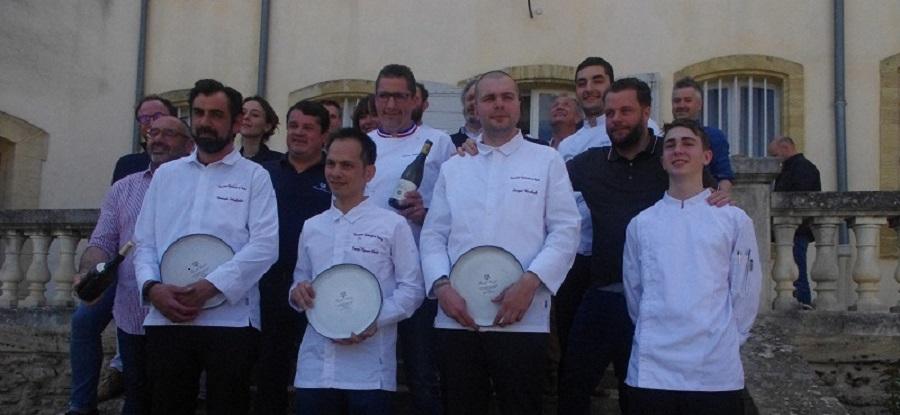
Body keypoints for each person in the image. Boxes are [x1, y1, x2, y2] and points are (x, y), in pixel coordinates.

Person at [560, 78, 728, 415]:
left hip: (656, 302)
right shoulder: (589, 164)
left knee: (637, 396)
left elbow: (708, 196)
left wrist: (725, 185)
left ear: (646, 112)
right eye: (609, 113)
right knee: (571, 387)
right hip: (602, 294)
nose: (616, 119)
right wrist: (474, 150)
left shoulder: (670, 158)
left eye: (625, 111)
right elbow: (538, 175)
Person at [420, 71, 580, 415]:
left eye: (507, 97)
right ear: (475, 107)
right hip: (458, 315)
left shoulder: (546, 161)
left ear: (518, 104)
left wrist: (531, 282)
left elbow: (566, 229)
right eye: (489, 98)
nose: (499, 105)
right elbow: (433, 235)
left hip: (523, 315)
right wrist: (441, 286)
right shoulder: (455, 167)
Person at [133, 78, 278, 415]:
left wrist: (209, 288)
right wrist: (152, 289)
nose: (205, 122)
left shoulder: (255, 178)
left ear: (236, 122)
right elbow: (143, 242)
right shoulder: (166, 176)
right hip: (166, 317)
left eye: (215, 114)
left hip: (231, 321)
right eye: (198, 113)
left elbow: (265, 246)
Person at [623, 118, 761, 414]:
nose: (678, 150)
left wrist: (726, 342)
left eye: (688, 143)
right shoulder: (641, 224)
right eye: (670, 144)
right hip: (653, 371)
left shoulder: (734, 221)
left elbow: (745, 290)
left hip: (714, 372)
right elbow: (635, 293)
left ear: (706, 156)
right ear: (662, 159)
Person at [289, 127, 424, 415]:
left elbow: (412, 290)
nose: (336, 172)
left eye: (347, 165)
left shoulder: (392, 225)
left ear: (369, 172)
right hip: (315, 369)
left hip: (369, 372)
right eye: (331, 164)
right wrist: (297, 292)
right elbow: (300, 279)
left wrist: (375, 320)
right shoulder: (313, 226)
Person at [69, 116, 194, 415]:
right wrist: (90, 272)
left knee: (177, 399)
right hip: (133, 314)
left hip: (185, 312)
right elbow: (102, 241)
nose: (159, 139)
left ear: (189, 145)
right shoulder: (124, 188)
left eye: (169, 134)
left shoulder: (199, 188)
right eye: (154, 133)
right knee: (137, 398)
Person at [367, 63, 456, 415]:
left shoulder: (439, 142)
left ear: (414, 99)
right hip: (370, 273)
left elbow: (455, 205)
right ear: (374, 100)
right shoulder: (362, 145)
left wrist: (426, 210)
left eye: (399, 96)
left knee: (422, 372)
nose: (391, 105)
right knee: (373, 370)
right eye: (384, 96)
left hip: (418, 274)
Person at [255, 100, 333, 415]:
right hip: (268, 284)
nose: (298, 133)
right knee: (269, 369)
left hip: (318, 286)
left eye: (308, 127)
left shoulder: (335, 173)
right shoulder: (262, 174)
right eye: (294, 126)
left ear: (324, 135)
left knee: (318, 373)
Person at [769, 136, 821, 308]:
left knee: (797, 272)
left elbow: (800, 201)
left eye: (774, 155)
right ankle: (799, 301)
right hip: (792, 230)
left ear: (785, 148)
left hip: (796, 229)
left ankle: (802, 303)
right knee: (793, 270)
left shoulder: (802, 168)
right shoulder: (797, 167)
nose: (773, 160)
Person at [671, 77, 736, 191]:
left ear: (699, 105)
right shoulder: (664, 138)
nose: (681, 105)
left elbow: (724, 177)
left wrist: (720, 199)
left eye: (687, 100)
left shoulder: (714, 137)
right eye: (677, 101)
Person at [111, 96, 178, 183]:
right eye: (145, 119)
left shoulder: (190, 160)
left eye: (158, 116)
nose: (152, 123)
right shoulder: (127, 165)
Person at [239, 96, 283, 163]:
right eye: (243, 113)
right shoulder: (229, 161)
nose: (246, 117)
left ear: (267, 126)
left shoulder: (280, 162)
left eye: (255, 115)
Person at [449, 78, 481, 148]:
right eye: (470, 98)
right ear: (464, 104)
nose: (473, 102)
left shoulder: (501, 141)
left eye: (479, 98)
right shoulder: (449, 142)